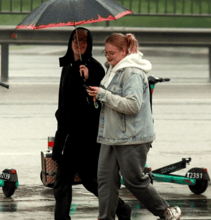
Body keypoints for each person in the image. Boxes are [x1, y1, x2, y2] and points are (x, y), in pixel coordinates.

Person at [86, 33, 182, 220]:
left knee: (134, 181)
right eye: (105, 52)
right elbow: (110, 103)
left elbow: (133, 105)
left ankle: (165, 212)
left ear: (124, 51)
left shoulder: (132, 73)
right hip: (110, 136)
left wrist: (104, 95)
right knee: (105, 182)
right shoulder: (112, 70)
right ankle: (105, 218)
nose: (108, 57)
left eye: (112, 53)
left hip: (132, 137)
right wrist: (97, 97)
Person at [52, 28, 131, 220]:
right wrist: (59, 136)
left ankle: (121, 208)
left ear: (90, 43)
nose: (80, 43)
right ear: (70, 42)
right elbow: (63, 105)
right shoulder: (68, 66)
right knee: (62, 182)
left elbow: (98, 104)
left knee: (90, 181)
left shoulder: (95, 68)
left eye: (84, 40)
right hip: (66, 134)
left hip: (86, 135)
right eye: (76, 40)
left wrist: (87, 80)